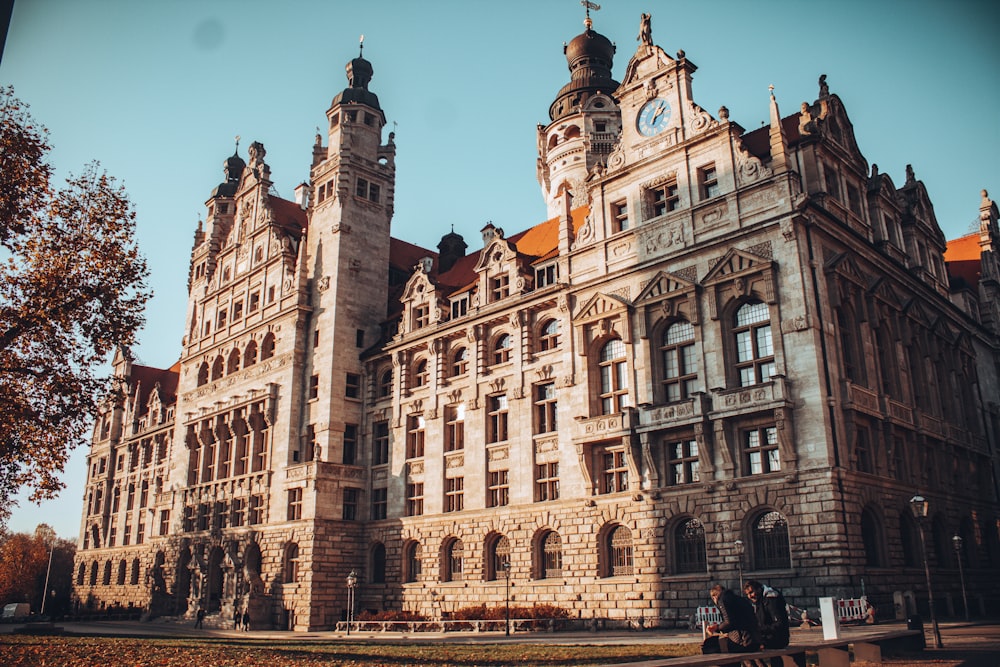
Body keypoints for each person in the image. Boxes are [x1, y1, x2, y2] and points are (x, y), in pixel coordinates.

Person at [744, 580, 798, 667]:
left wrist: (759, 631)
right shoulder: (760, 600)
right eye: (747, 594)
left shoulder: (771, 599)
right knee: (747, 647)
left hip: (778, 638)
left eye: (751, 592)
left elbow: (779, 624)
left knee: (748, 649)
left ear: (758, 589)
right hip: (769, 636)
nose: (750, 596)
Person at [703, 584, 759, 655]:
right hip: (754, 639)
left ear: (714, 597)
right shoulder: (738, 598)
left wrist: (717, 628)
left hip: (742, 641)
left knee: (709, 646)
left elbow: (728, 622)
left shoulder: (722, 599)